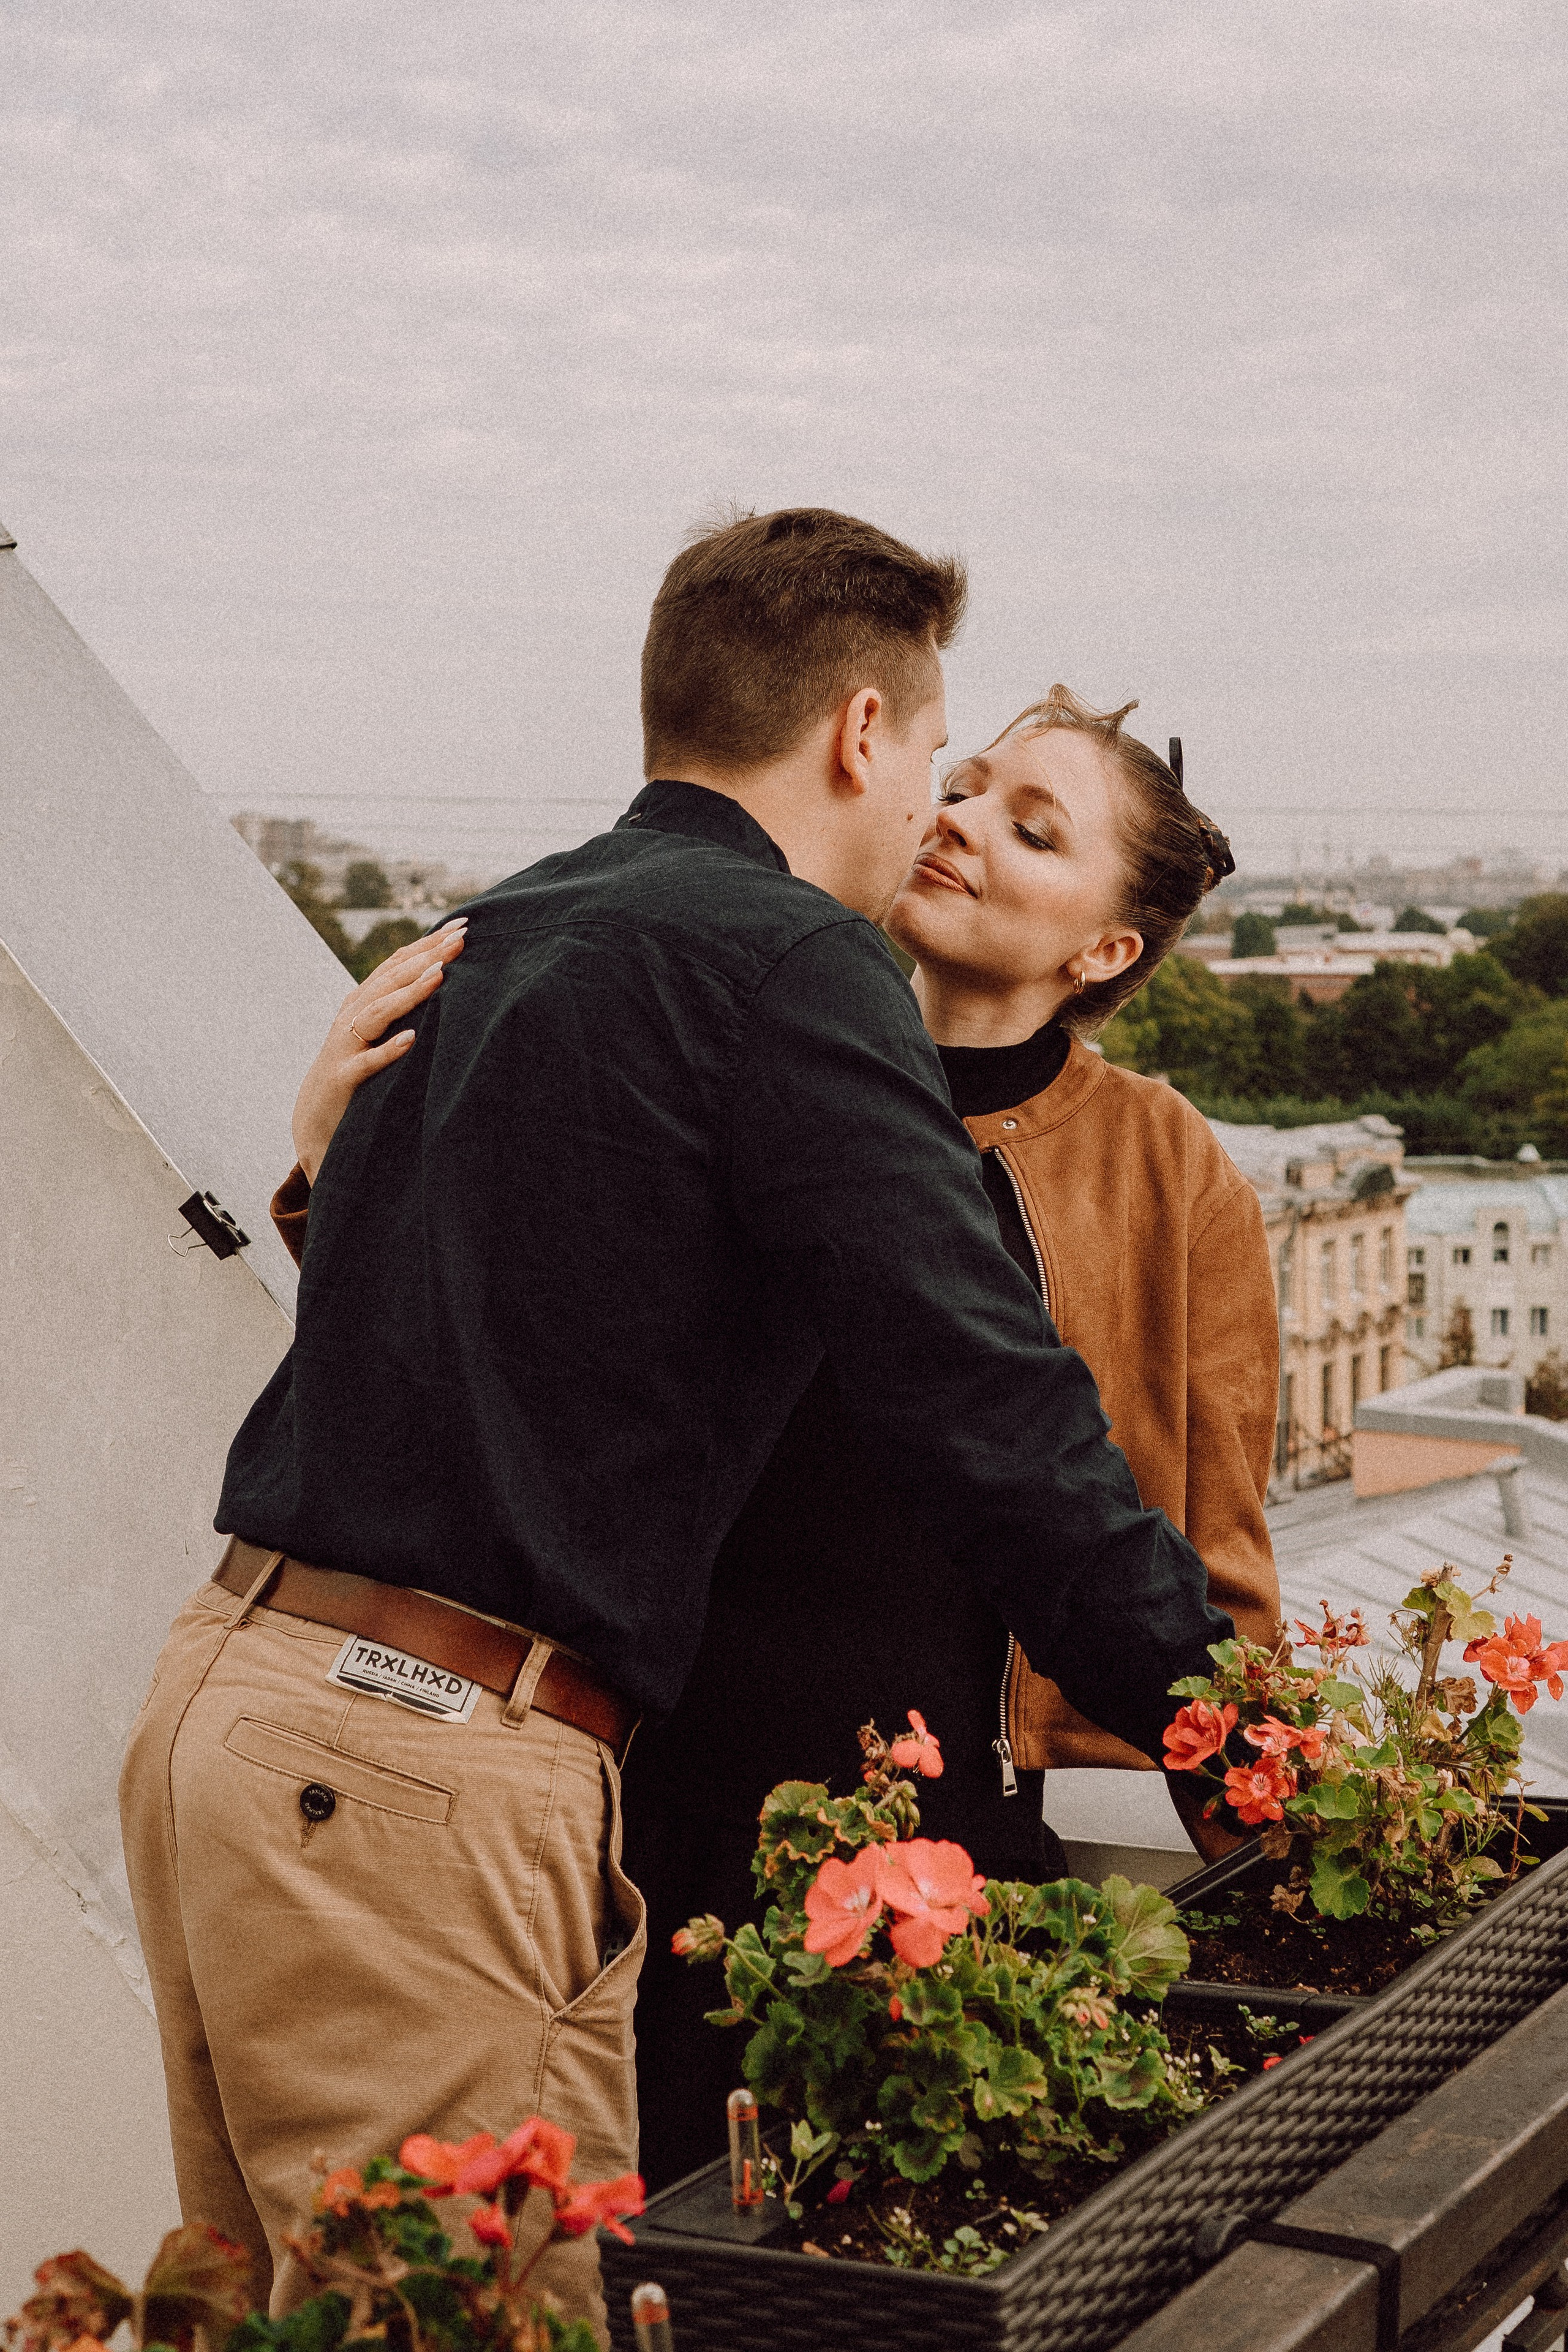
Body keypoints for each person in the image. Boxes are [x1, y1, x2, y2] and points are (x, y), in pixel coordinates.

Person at [119, 509, 1234, 2337]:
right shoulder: (794, 963)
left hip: (231, 1726)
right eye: (939, 757)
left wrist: (321, 1176)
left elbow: (501, 1328)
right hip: (424, 1764)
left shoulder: (495, 930)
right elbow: (992, 1409)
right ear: (859, 732)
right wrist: (1237, 1740)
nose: (929, 809)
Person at [281, 683, 1281, 2192]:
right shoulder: (754, 1035)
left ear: (1105, 951)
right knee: (655, 2227)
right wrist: (327, 1174)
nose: (960, 823)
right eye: (967, 783)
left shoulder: (1163, 1166)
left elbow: (1212, 1530)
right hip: (655, 1791)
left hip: (947, 1822)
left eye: (1033, 828)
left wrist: (1276, 1822)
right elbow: (515, 1344)